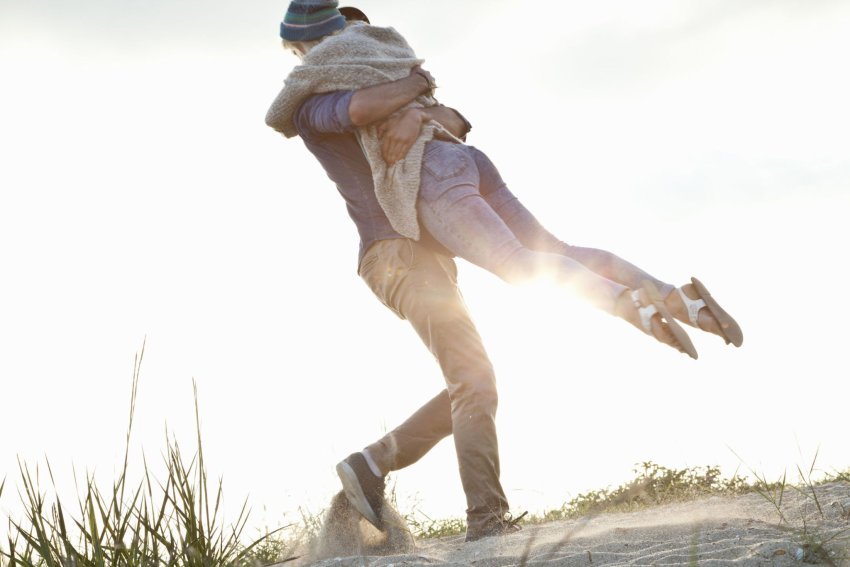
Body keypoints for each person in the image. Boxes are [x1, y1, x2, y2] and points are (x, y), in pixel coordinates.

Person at [265, 1, 743, 542]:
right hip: (396, 257)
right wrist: (416, 85)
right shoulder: (311, 103)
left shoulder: (387, 86)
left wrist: (420, 110)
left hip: (430, 248)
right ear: (313, 50)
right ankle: (484, 520)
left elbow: (456, 123)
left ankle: (371, 465)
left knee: (486, 360)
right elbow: (358, 110)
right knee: (474, 380)